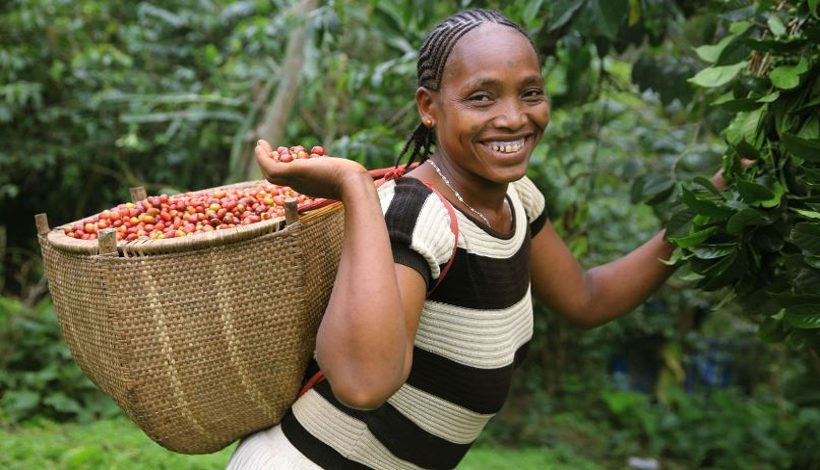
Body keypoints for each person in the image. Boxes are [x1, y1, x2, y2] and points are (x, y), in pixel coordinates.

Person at [228, 8, 724, 470]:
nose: (513, 117)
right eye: (481, 97)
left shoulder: (518, 199)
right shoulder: (414, 214)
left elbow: (588, 298)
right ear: (430, 107)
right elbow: (362, 384)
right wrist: (355, 187)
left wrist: (717, 203)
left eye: (530, 93)